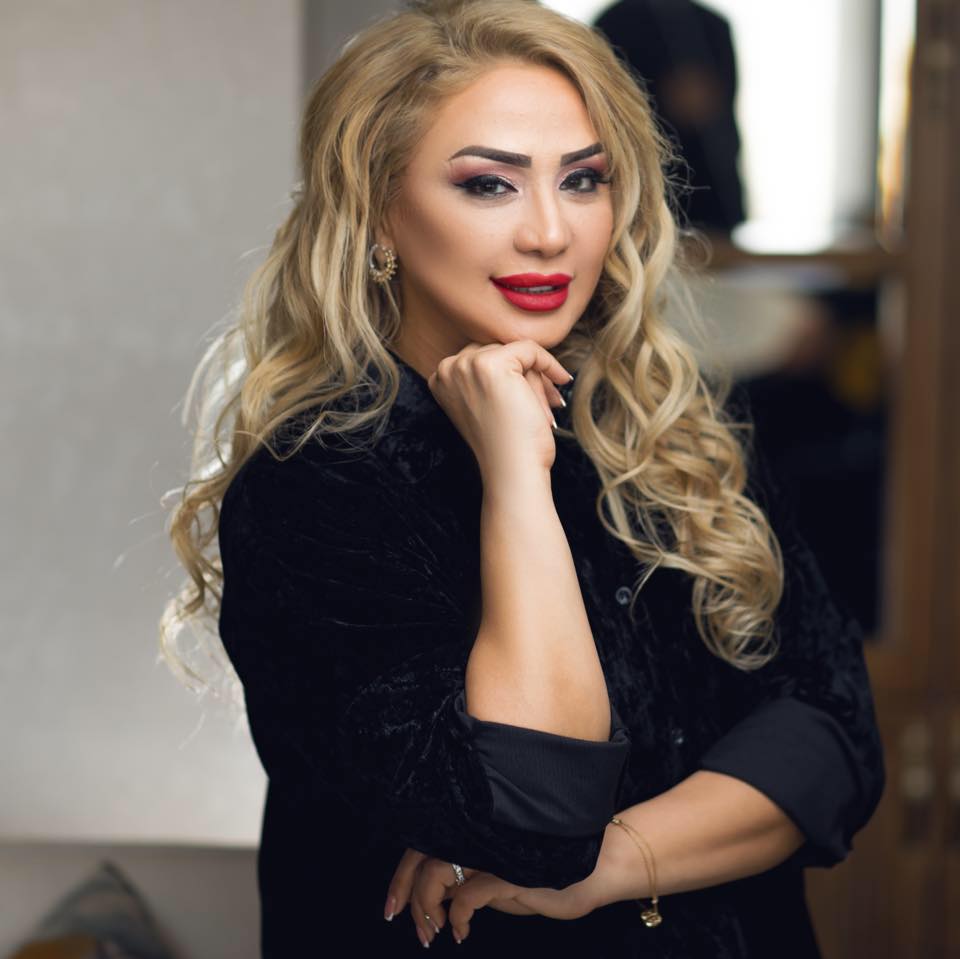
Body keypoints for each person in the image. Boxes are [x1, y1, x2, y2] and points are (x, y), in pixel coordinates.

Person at [160, 1, 885, 956]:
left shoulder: (672, 426)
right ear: (377, 210)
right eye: (488, 185)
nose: (551, 232)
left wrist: (617, 861)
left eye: (583, 179)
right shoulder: (318, 486)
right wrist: (515, 475)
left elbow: (834, 734)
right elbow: (536, 815)